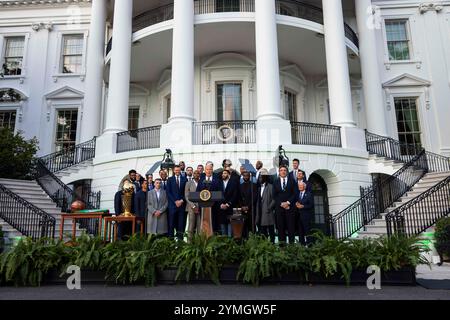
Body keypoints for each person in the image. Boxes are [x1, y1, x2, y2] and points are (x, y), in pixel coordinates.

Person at [273, 166, 297, 244]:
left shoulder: (292, 181)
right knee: (281, 228)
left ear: (286, 172)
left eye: (284, 170)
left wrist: (287, 203)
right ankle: (282, 249)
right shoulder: (275, 182)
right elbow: (274, 195)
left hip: (290, 208)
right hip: (279, 209)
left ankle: (291, 248)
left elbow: (294, 194)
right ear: (279, 172)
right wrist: (281, 203)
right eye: (281, 170)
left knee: (291, 229)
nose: (283, 171)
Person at [197, 163, 221, 233]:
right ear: (205, 170)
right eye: (207, 169)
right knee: (204, 224)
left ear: (212, 170)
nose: (209, 171)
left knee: (214, 225)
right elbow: (197, 192)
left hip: (214, 207)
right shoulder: (201, 180)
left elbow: (220, 192)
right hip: (203, 206)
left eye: (210, 169)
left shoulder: (217, 180)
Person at [166, 165, 187, 240]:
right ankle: (170, 242)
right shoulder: (170, 179)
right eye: (176, 170)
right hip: (172, 206)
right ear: (174, 171)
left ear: (180, 170)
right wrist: (175, 201)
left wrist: (181, 200)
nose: (177, 172)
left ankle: (180, 242)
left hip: (181, 206)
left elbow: (186, 192)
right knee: (171, 224)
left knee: (180, 225)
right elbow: (168, 192)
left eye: (178, 170)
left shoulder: (185, 179)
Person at [255, 169, 276, 243]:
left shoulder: (270, 186)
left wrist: (269, 208)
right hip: (260, 212)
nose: (260, 179)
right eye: (259, 177)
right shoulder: (258, 188)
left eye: (261, 177)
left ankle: (272, 244)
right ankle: (265, 245)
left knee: (271, 230)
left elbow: (274, 199)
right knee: (263, 231)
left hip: (268, 212)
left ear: (265, 177)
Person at [218, 169, 239, 237]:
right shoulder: (219, 183)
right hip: (221, 210)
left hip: (230, 209)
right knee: (223, 231)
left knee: (230, 232)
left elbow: (235, 195)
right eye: (222, 173)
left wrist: (228, 204)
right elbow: (217, 194)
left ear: (229, 175)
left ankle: (231, 245)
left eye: (225, 173)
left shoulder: (233, 183)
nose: (223, 175)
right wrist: (220, 204)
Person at [239, 171, 257, 238]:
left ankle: (253, 241)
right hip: (242, 210)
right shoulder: (240, 186)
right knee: (243, 227)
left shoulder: (254, 185)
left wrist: (248, 207)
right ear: (242, 177)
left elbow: (254, 197)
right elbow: (239, 198)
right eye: (244, 176)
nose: (246, 177)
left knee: (252, 227)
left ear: (250, 176)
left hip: (251, 209)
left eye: (247, 176)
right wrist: (242, 206)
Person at [296, 181, 314, 246]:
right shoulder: (297, 194)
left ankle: (310, 246)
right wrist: (296, 204)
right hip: (298, 216)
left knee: (307, 232)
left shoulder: (309, 194)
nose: (300, 187)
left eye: (301, 186)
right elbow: (296, 202)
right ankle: (302, 246)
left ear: (304, 187)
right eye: (299, 186)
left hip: (306, 216)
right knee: (300, 232)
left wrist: (303, 206)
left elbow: (311, 205)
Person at [185, 169, 201, 242]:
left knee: (199, 226)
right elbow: (186, 196)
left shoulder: (202, 183)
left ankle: (198, 243)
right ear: (193, 175)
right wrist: (193, 206)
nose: (196, 174)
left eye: (197, 173)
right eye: (195, 173)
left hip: (201, 207)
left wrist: (199, 206)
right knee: (191, 226)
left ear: (199, 174)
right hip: (191, 207)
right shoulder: (188, 183)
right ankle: (189, 244)